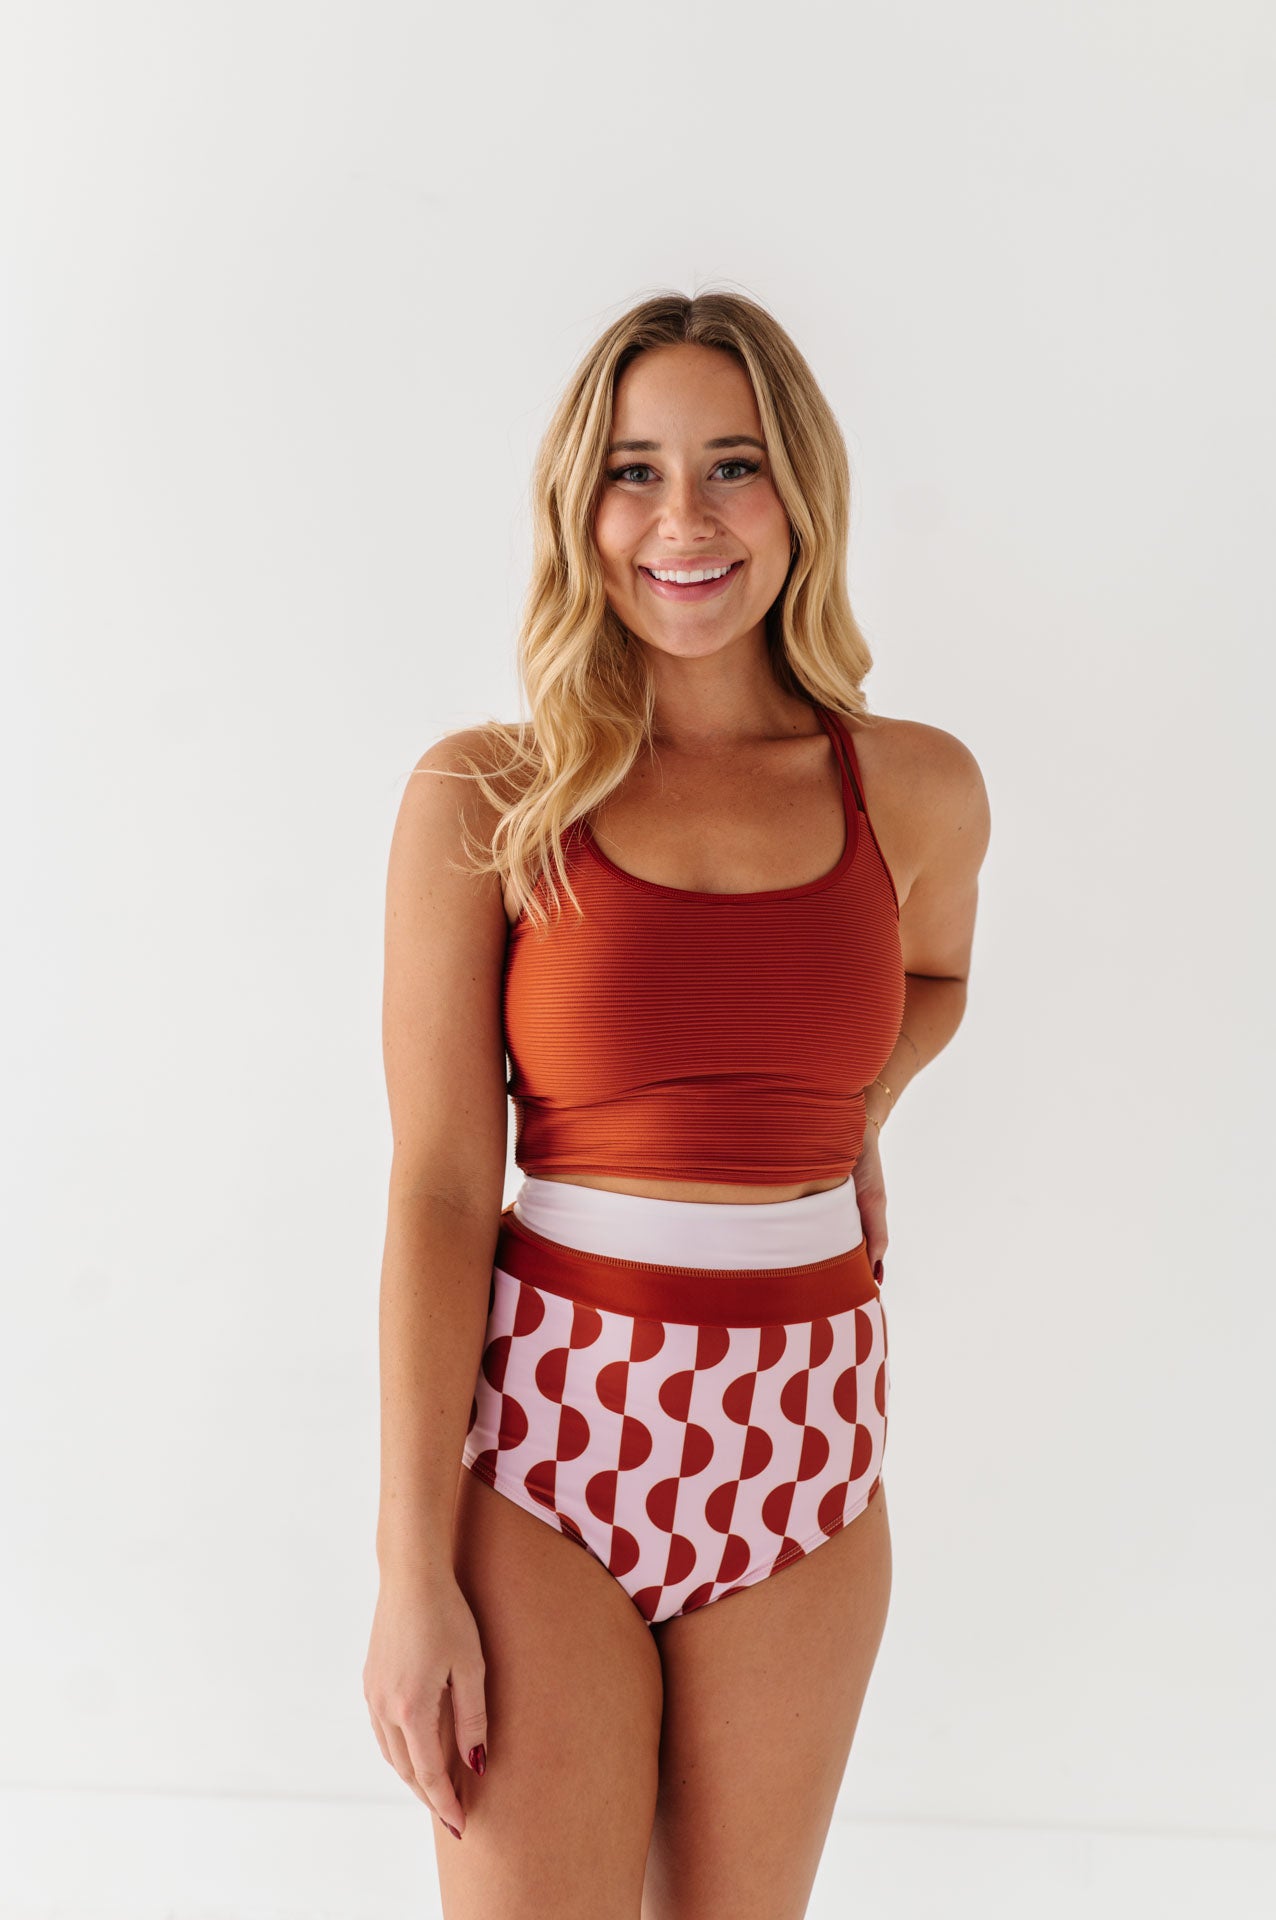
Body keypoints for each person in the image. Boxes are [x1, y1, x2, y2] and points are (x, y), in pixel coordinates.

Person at [363, 289, 991, 1917]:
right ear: (581, 507)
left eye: (733, 465)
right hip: (548, 1444)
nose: (684, 520)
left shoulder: (913, 787)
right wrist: (408, 1572)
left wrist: (858, 1112)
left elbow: (933, 979)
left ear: (802, 492)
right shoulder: (488, 797)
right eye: (635, 472)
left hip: (806, 1442)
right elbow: (442, 1185)